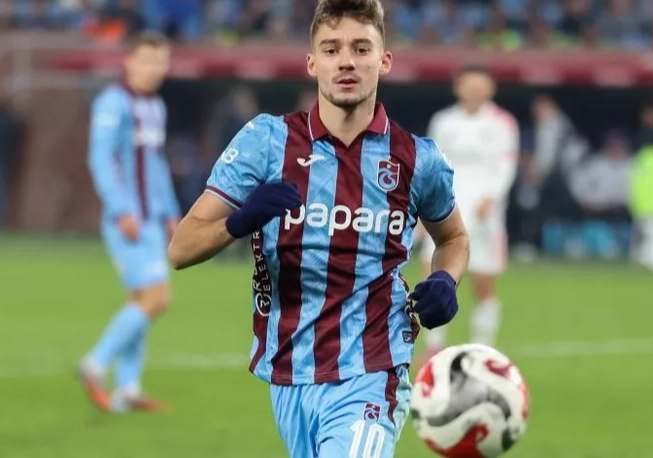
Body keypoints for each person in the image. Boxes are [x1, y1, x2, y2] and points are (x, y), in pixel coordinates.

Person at [168, 0, 469, 456]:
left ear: (384, 61)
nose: (346, 61)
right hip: (290, 371)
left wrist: (446, 279)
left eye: (361, 48)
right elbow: (180, 249)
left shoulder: (416, 158)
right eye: (331, 49)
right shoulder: (267, 142)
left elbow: (454, 238)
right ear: (312, 63)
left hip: (374, 369)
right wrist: (240, 221)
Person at [79, 31, 180, 413]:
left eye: (161, 61)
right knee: (158, 298)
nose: (155, 69)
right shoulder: (113, 102)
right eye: (148, 60)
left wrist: (170, 211)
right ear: (129, 62)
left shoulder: (156, 106)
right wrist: (122, 209)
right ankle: (95, 363)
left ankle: (127, 389)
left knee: (139, 302)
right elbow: (101, 158)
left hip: (152, 218)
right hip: (128, 220)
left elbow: (156, 163)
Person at [419, 65, 518, 353]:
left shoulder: (502, 123)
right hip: (446, 207)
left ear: (490, 89)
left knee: (482, 283)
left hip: (485, 211)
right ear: (458, 87)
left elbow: (506, 165)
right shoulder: (443, 121)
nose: (474, 91)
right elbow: (431, 163)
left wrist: (492, 197)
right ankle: (433, 346)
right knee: (433, 275)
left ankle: (482, 350)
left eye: (479, 85)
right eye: (468, 85)